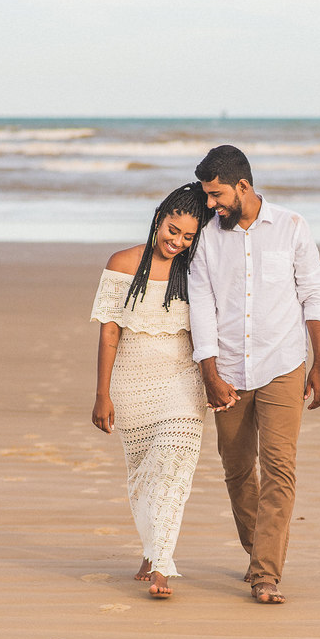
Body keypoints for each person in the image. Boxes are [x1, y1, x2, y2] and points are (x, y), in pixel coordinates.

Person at [189, 145, 320, 604]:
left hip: (283, 365)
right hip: (228, 370)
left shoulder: (292, 227)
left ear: (243, 186)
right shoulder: (207, 238)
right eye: (208, 197)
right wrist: (209, 372)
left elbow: (315, 295)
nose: (211, 204)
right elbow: (203, 309)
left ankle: (267, 572)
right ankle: (258, 553)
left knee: (279, 468)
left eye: (217, 195)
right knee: (236, 469)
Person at [90, 183, 212, 599]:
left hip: (183, 380)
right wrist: (101, 394)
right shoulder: (122, 264)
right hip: (132, 382)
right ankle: (150, 548)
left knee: (173, 467)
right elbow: (109, 333)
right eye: (172, 230)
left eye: (188, 237)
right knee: (143, 474)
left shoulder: (196, 270)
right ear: (159, 218)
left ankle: (162, 564)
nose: (177, 242)